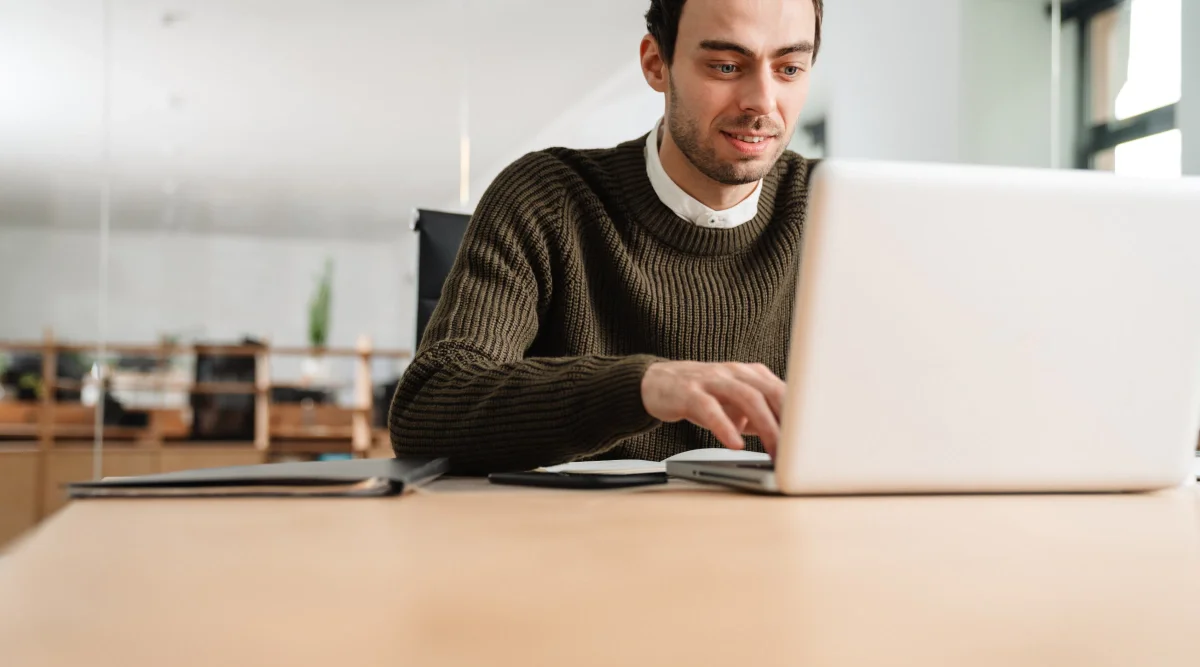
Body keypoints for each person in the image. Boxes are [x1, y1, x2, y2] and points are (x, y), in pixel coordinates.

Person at [391, 0, 824, 473]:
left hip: (780, 539)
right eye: (725, 66)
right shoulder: (548, 197)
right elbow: (427, 408)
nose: (762, 101)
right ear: (656, 63)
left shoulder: (830, 208)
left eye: (789, 68)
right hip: (576, 539)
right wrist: (645, 386)